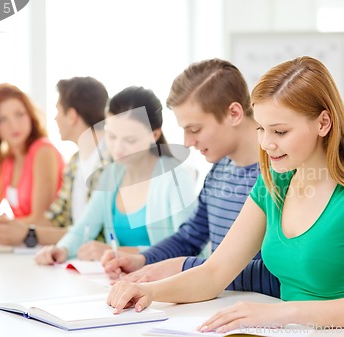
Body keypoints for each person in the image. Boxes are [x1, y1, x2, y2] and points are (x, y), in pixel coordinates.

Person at [106, 56, 344, 332]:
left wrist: (285, 313)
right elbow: (214, 272)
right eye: (262, 130)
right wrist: (152, 291)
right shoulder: (272, 186)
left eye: (280, 132)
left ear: (323, 123)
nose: (266, 144)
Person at [101, 58, 281, 298]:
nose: (187, 142)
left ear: (234, 113)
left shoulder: (279, 173)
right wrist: (142, 259)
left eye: (195, 130)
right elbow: (191, 236)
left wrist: (183, 267)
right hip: (220, 306)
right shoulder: (219, 170)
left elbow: (279, 273)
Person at [35, 86, 196, 264]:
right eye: (111, 136)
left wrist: (118, 251)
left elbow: (188, 247)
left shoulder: (176, 177)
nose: (118, 148)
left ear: (154, 135)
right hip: (122, 281)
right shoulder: (111, 175)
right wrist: (61, 249)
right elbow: (83, 228)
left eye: (129, 140)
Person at [0, 77, 110, 246]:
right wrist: (13, 227)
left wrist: (28, 233)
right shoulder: (75, 163)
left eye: (58, 111)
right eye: (3, 119)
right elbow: (55, 218)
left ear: (72, 116)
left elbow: (95, 234)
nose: (55, 119)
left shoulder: (112, 160)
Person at [0, 83, 64, 244]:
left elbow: (41, 219)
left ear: (30, 115)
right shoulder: (7, 162)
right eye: (2, 119)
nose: (14, 125)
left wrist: (3, 226)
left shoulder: (43, 152)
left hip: (50, 247)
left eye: (19, 114)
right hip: (25, 249)